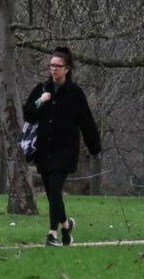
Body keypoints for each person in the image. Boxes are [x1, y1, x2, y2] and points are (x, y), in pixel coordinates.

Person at [22, 48, 100, 247]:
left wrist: (94, 148)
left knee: (55, 188)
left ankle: (52, 235)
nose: (53, 69)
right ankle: (66, 226)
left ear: (67, 69)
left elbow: (87, 122)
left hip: (65, 151)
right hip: (44, 151)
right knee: (51, 193)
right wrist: (41, 101)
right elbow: (28, 115)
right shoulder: (41, 89)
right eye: (51, 65)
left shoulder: (75, 93)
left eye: (58, 66)